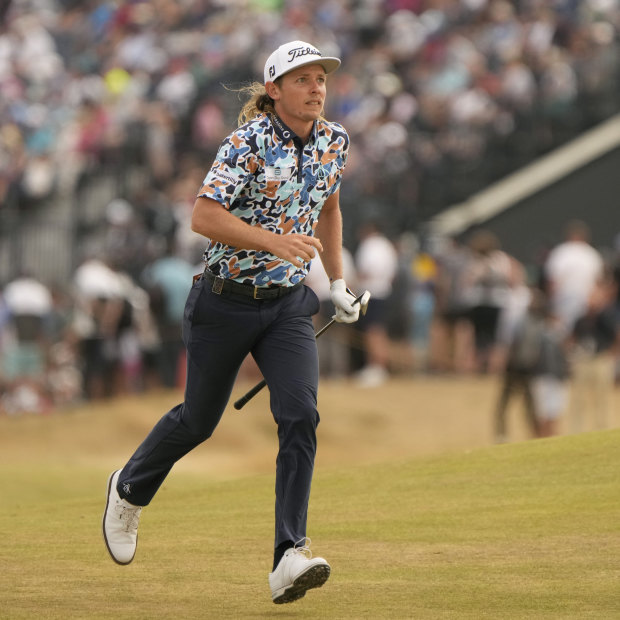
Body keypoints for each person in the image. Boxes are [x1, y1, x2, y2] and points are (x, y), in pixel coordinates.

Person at [102, 40, 362, 605]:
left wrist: (336, 283)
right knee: (198, 421)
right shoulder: (245, 144)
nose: (316, 87)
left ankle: (288, 555)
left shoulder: (334, 142)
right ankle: (127, 489)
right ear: (274, 90)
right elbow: (203, 216)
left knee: (300, 416)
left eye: (321, 78)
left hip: (288, 304)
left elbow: (330, 207)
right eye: (302, 79)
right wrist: (277, 242)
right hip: (223, 301)